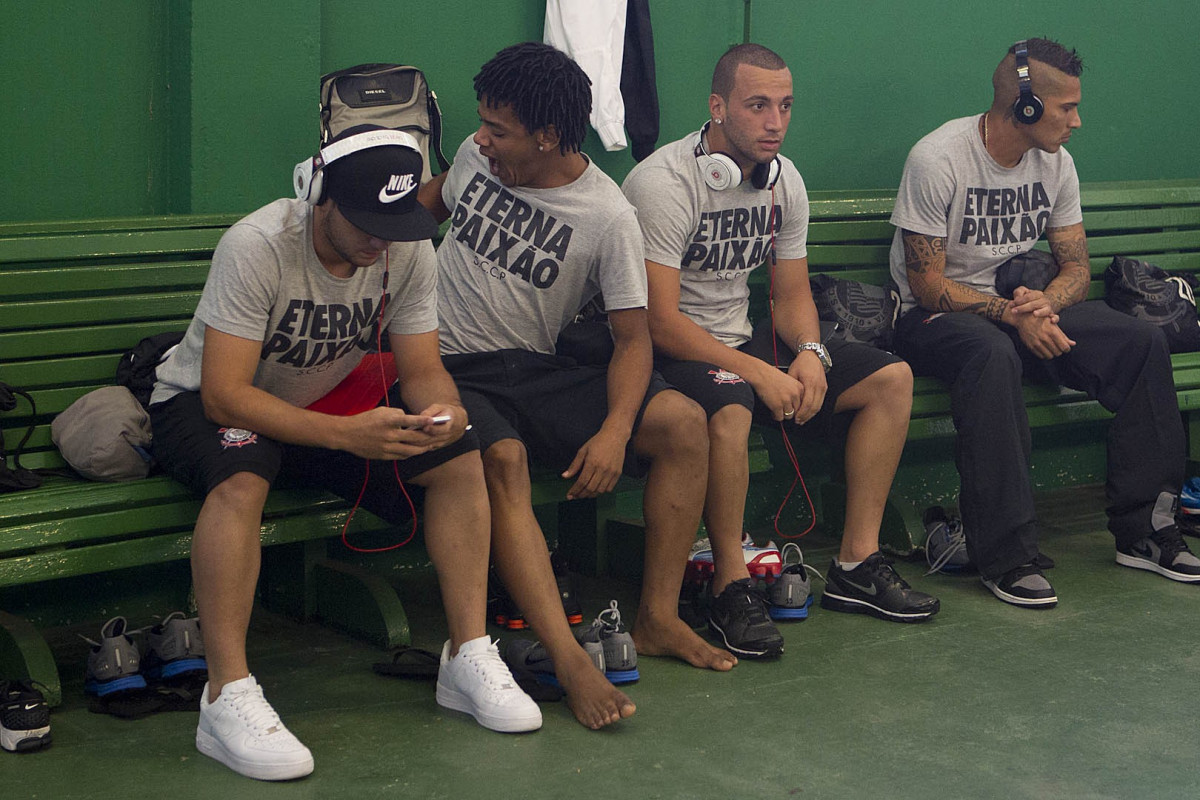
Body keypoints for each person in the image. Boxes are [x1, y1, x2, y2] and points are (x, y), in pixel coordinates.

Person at [149, 126, 540, 781]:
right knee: (243, 479)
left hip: (315, 408)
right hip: (201, 405)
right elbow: (223, 396)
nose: (378, 240)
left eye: (391, 222)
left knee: (459, 458)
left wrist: (443, 412)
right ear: (317, 195)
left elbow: (422, 370)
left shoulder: (404, 248)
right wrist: (345, 435)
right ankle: (226, 696)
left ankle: (466, 655)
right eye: (364, 222)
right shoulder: (259, 245)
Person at [419, 41, 741, 703]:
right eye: (483, 123)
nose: (481, 139)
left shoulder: (608, 217)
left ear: (548, 136)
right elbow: (419, 210)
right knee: (503, 460)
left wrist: (616, 431)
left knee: (683, 422)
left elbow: (632, 341)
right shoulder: (477, 164)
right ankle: (568, 660)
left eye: (498, 130)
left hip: (534, 370)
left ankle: (657, 617)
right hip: (447, 368)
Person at [622, 43, 940, 633]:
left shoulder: (782, 180)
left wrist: (810, 354)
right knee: (734, 404)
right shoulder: (662, 184)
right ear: (717, 106)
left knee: (890, 380)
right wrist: (756, 372)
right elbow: (657, 321)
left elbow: (792, 294)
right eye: (758, 105)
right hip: (669, 349)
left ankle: (855, 564)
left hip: (741, 336)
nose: (775, 123)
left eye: (786, 106)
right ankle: (729, 583)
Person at [889, 38, 1200, 608]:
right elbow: (926, 285)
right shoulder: (938, 158)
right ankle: (1004, 555)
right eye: (1067, 108)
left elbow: (1075, 265)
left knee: (1138, 341)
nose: (1077, 122)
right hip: (932, 319)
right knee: (993, 354)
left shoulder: (1056, 163)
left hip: (1018, 303)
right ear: (1026, 106)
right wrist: (1013, 314)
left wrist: (1044, 305)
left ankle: (1144, 532)